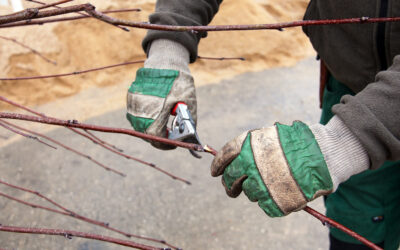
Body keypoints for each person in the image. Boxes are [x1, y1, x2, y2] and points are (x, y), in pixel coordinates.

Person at [126, 1, 400, 249]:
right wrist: (168, 45)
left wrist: (344, 142)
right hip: (351, 85)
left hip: (368, 116)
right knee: (358, 225)